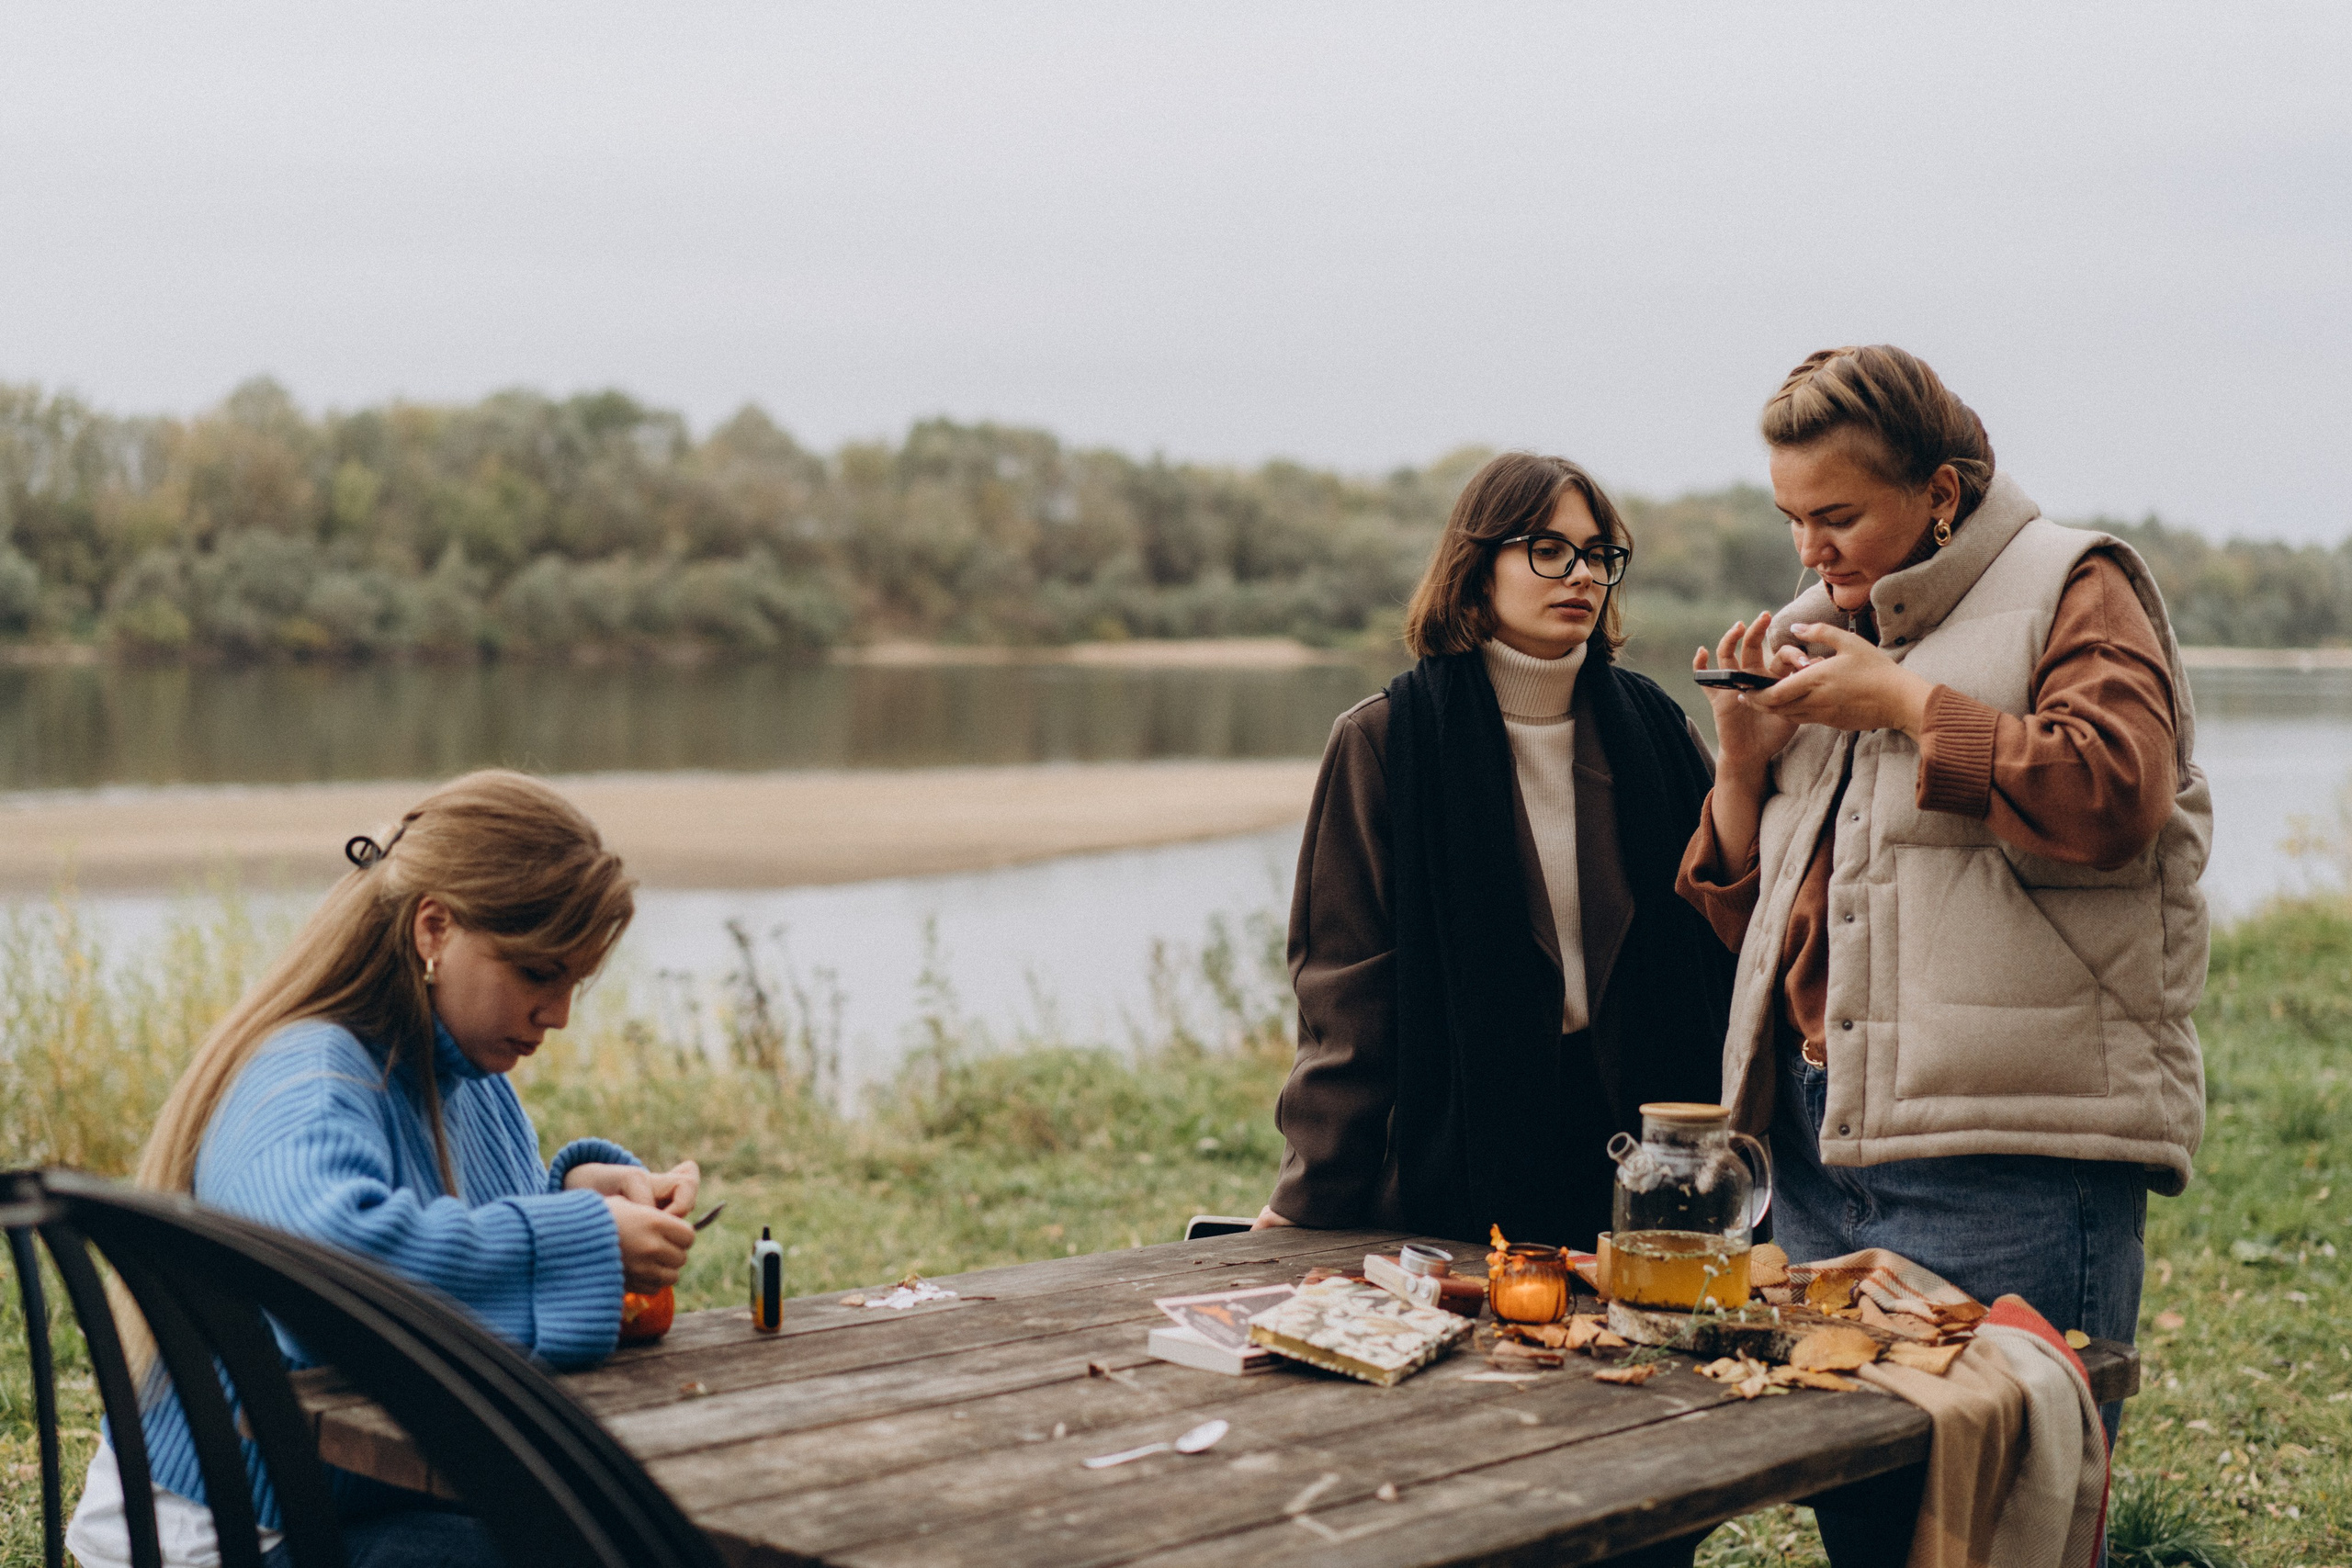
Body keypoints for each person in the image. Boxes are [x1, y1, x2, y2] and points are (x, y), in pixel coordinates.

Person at [1678, 344, 2208, 1561]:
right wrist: (1742, 765)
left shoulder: (2078, 582)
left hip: (2010, 1169)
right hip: (1816, 1158)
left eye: (1837, 515)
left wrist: (1909, 707)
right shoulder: (1822, 625)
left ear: (1943, 493)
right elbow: (1760, 922)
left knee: (2003, 1534)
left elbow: (2117, 794)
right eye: (1791, 518)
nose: (1810, 549)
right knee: (1870, 1534)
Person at [68, 769, 702, 1568]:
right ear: (434, 928)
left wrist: (572, 1194)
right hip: (224, 1532)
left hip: (340, 1506)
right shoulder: (308, 1071)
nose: (559, 1013)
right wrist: (582, 1241)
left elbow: (447, 1233)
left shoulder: (468, 1078)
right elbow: (323, 1266)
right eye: (538, 973)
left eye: (574, 981)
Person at [1256, 451, 1736, 1250]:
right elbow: (1347, 998)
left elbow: (1727, 943)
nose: (1581, 575)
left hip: (1648, 1151)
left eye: (1599, 555)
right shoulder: (1385, 742)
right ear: (1476, 568)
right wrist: (1314, 1189)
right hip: (1464, 1151)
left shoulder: (1658, 730)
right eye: (1548, 550)